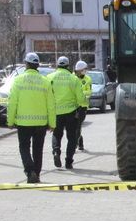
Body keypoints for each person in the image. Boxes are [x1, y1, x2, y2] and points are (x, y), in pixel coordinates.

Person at [6, 53, 56, 183]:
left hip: (23, 123)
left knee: (24, 147)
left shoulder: (18, 80)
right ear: (37, 65)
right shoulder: (45, 81)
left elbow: (12, 103)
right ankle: (37, 174)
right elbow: (51, 105)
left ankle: (30, 171)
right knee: (38, 149)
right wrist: (52, 123)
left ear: (26, 64)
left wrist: (10, 121)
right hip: (41, 123)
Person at [48, 56, 85, 169]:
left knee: (56, 134)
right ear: (68, 65)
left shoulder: (49, 77)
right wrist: (82, 104)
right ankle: (68, 161)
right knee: (72, 137)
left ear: (57, 65)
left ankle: (56, 151)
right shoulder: (74, 79)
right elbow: (81, 99)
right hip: (71, 112)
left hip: (56, 112)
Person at [74, 60, 91, 151]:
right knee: (75, 126)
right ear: (79, 70)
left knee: (78, 125)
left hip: (83, 106)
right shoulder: (72, 78)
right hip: (73, 106)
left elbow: (89, 92)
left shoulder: (88, 79)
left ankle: (75, 144)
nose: (85, 71)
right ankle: (80, 142)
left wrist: (79, 93)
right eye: (84, 69)